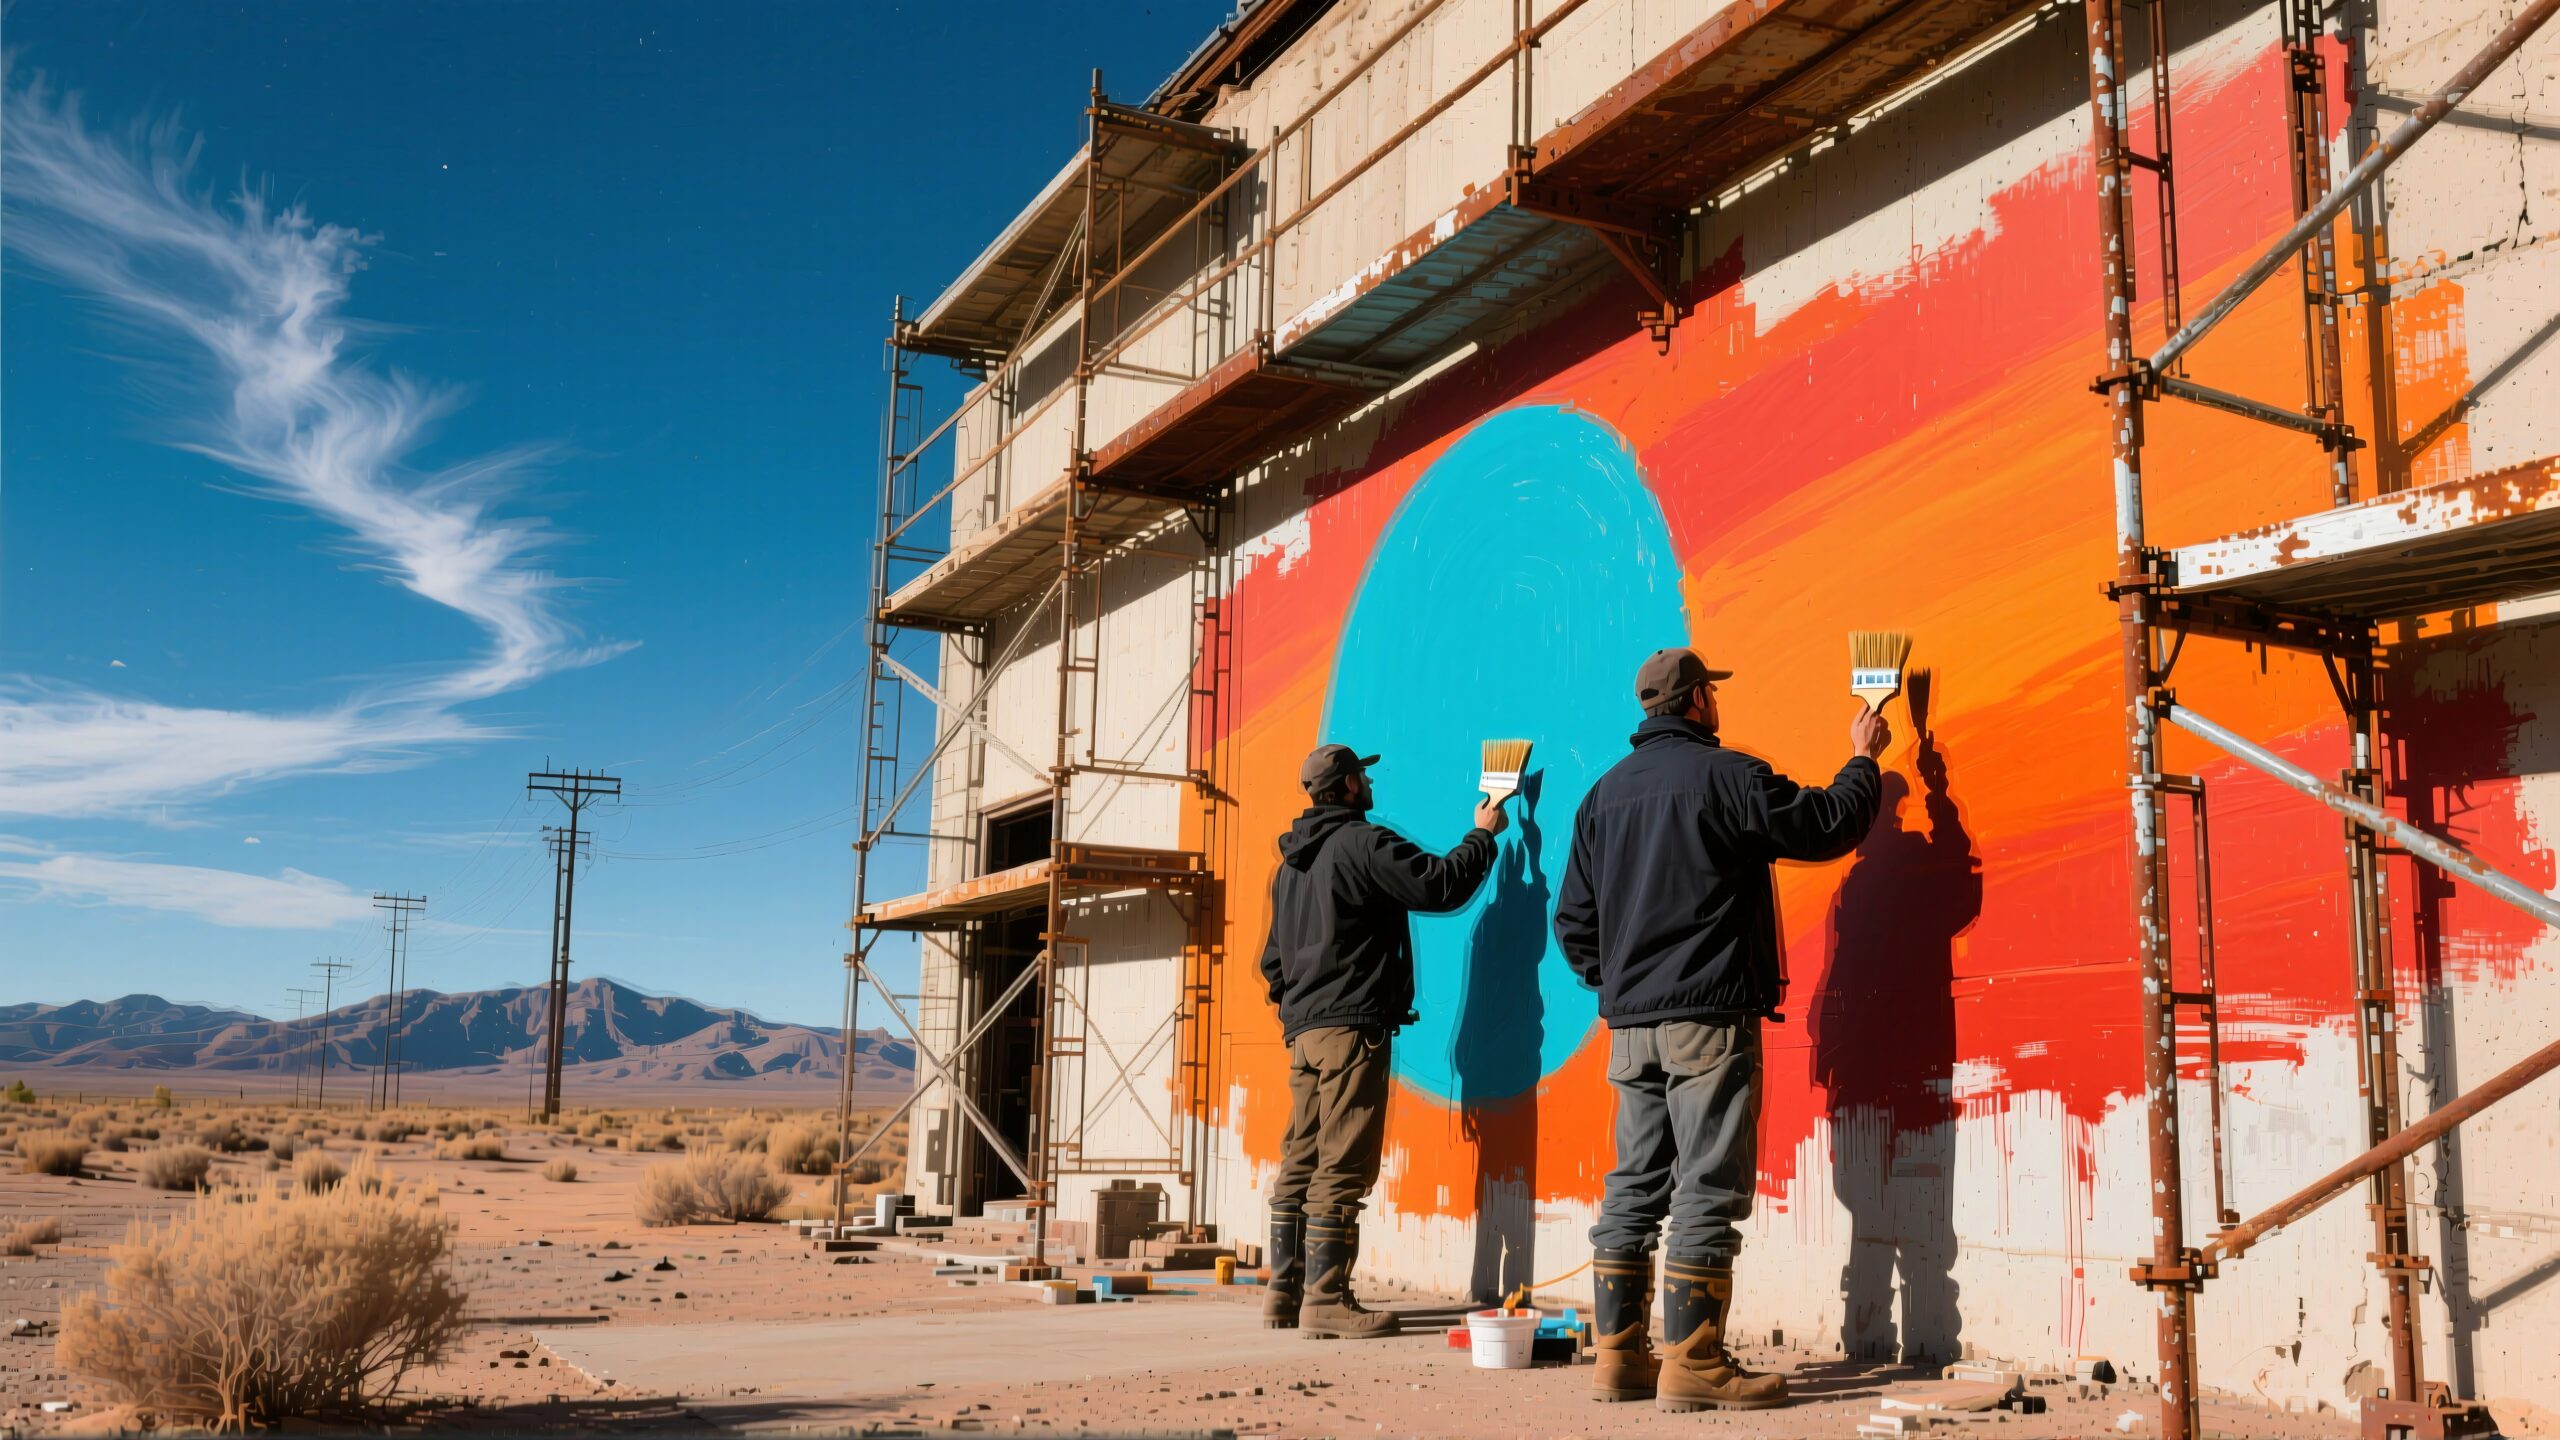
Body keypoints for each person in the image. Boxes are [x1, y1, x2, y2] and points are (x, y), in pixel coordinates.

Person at [1555, 647, 1888, 1409]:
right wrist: (1862, 761)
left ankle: (1619, 1359)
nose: (1716, 701)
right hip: (1706, 1015)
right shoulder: (1728, 775)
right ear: (1698, 700)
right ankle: (1696, 1363)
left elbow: (1573, 922)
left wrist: (1620, 986)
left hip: (1632, 1026)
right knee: (1708, 1182)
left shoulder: (1601, 797)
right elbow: (1825, 825)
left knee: (1634, 1185)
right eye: (1712, 690)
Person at [1260, 743, 1507, 1339]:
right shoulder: (1364, 843)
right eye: (1362, 777)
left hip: (1305, 1033)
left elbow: (1274, 963)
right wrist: (1484, 835)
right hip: (1350, 1028)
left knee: (1302, 1156)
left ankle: (1284, 1293)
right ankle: (1326, 1301)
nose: (1369, 785)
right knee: (1343, 1161)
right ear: (1346, 787)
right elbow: (1438, 887)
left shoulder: (1287, 869)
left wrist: (1298, 1010)